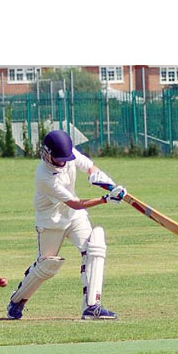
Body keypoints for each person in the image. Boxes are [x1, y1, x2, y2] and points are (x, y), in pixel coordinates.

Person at [7, 130, 126, 321]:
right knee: (47, 265)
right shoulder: (44, 177)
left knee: (94, 247)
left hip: (74, 217)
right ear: (46, 153)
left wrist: (107, 183)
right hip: (50, 221)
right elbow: (74, 202)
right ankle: (17, 300)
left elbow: (90, 167)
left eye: (64, 158)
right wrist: (105, 199)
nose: (62, 162)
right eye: (58, 158)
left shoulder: (69, 155)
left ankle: (92, 306)